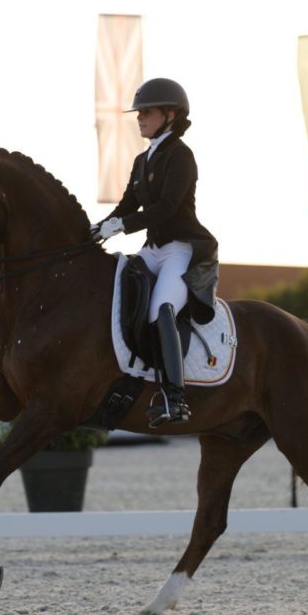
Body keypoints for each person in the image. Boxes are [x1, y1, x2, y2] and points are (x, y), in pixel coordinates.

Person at [92, 77, 219, 427]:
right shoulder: (141, 160)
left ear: (170, 115)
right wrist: (96, 229)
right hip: (151, 249)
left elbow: (165, 209)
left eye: (146, 112)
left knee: (161, 307)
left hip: (180, 250)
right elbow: (126, 206)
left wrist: (120, 226)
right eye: (139, 113)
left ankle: (174, 397)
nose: (140, 118)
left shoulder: (181, 156)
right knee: (116, 293)